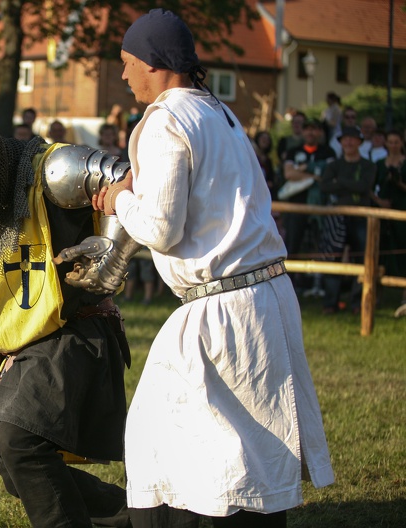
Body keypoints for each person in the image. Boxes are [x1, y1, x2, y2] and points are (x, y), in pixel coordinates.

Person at [94, 10, 334, 527]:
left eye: (127, 62)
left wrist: (119, 201)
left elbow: (159, 226)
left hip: (222, 306)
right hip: (265, 297)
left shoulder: (165, 119)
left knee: (174, 437)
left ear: (154, 64)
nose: (123, 74)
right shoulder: (218, 112)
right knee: (247, 442)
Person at [0, 103, 132, 528]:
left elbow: (127, 181)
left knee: (21, 447)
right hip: (18, 339)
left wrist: (108, 261)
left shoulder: (53, 169)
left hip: (72, 327)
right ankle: (140, 516)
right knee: (16, 469)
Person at [319, 125, 377, 315]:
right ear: (341, 142)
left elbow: (363, 187)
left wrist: (340, 183)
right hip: (337, 217)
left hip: (361, 217)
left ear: (360, 142)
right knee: (332, 258)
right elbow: (325, 186)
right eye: (345, 139)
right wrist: (349, 185)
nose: (349, 142)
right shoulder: (334, 165)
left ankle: (358, 303)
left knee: (362, 258)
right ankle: (330, 302)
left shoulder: (368, 165)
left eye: (352, 138)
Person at [281, 118, 336, 296]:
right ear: (303, 132)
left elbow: (329, 175)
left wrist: (302, 171)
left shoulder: (328, 151)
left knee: (320, 246)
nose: (311, 133)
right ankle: (291, 288)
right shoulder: (293, 151)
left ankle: (319, 286)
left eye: (314, 129)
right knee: (293, 246)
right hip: (296, 207)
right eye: (307, 129)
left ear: (320, 132)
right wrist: (314, 173)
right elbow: (289, 173)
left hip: (320, 207)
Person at [375, 131, 406, 317]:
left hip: (402, 212)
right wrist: (379, 203)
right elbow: (369, 188)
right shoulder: (379, 164)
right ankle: (377, 294)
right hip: (382, 213)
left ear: (401, 143)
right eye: (391, 142)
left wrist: (400, 184)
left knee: (403, 252)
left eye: (397, 142)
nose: (394, 145)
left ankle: (404, 294)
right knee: (381, 253)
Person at [252, 130, 276, 200]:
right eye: (263, 138)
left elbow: (271, 178)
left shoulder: (268, 161)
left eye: (267, 139)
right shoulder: (251, 157)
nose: (265, 141)